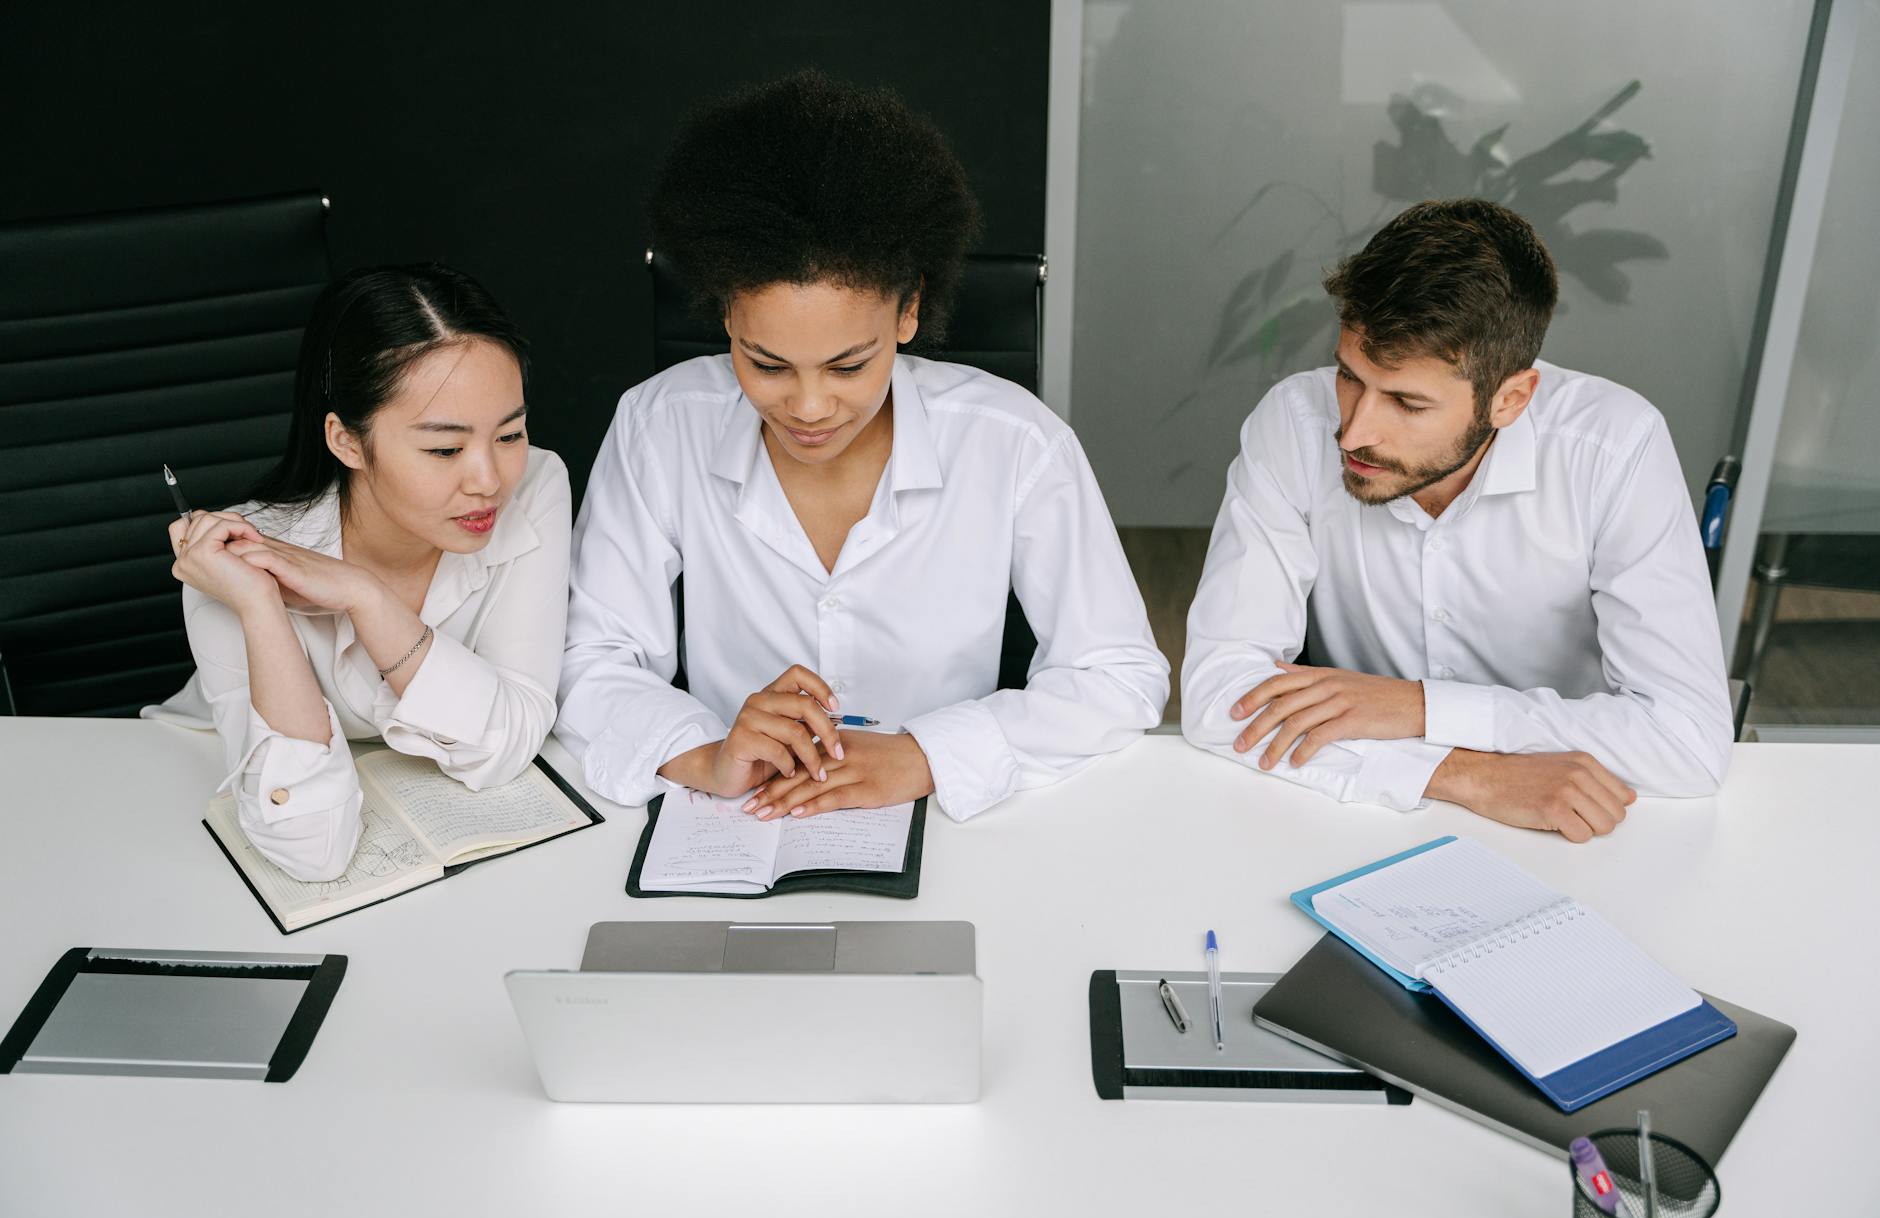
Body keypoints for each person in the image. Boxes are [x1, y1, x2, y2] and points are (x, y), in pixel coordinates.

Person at [557, 71, 1168, 823]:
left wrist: (928, 753)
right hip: (735, 820)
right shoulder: (659, 426)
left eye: (848, 365)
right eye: (767, 364)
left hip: (956, 823)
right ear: (723, 316)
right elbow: (592, 662)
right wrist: (705, 754)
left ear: (909, 310)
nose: (809, 408)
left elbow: (1119, 674)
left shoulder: (1016, 443)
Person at [1181, 198, 1732, 842]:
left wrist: (1415, 708)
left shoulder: (1614, 449)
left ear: (1510, 399)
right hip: (1352, 815)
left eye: (1407, 403)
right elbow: (1221, 698)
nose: (1354, 431)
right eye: (1349, 376)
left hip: (1576, 823)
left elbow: (1687, 742)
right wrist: (1463, 773)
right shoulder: (1293, 424)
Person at [145, 263, 571, 880]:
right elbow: (311, 848)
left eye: (510, 434)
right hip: (189, 788)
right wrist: (261, 607)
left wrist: (365, 597)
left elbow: (512, 737)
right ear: (346, 441)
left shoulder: (535, 483)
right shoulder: (235, 557)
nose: (488, 481)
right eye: (444, 449)